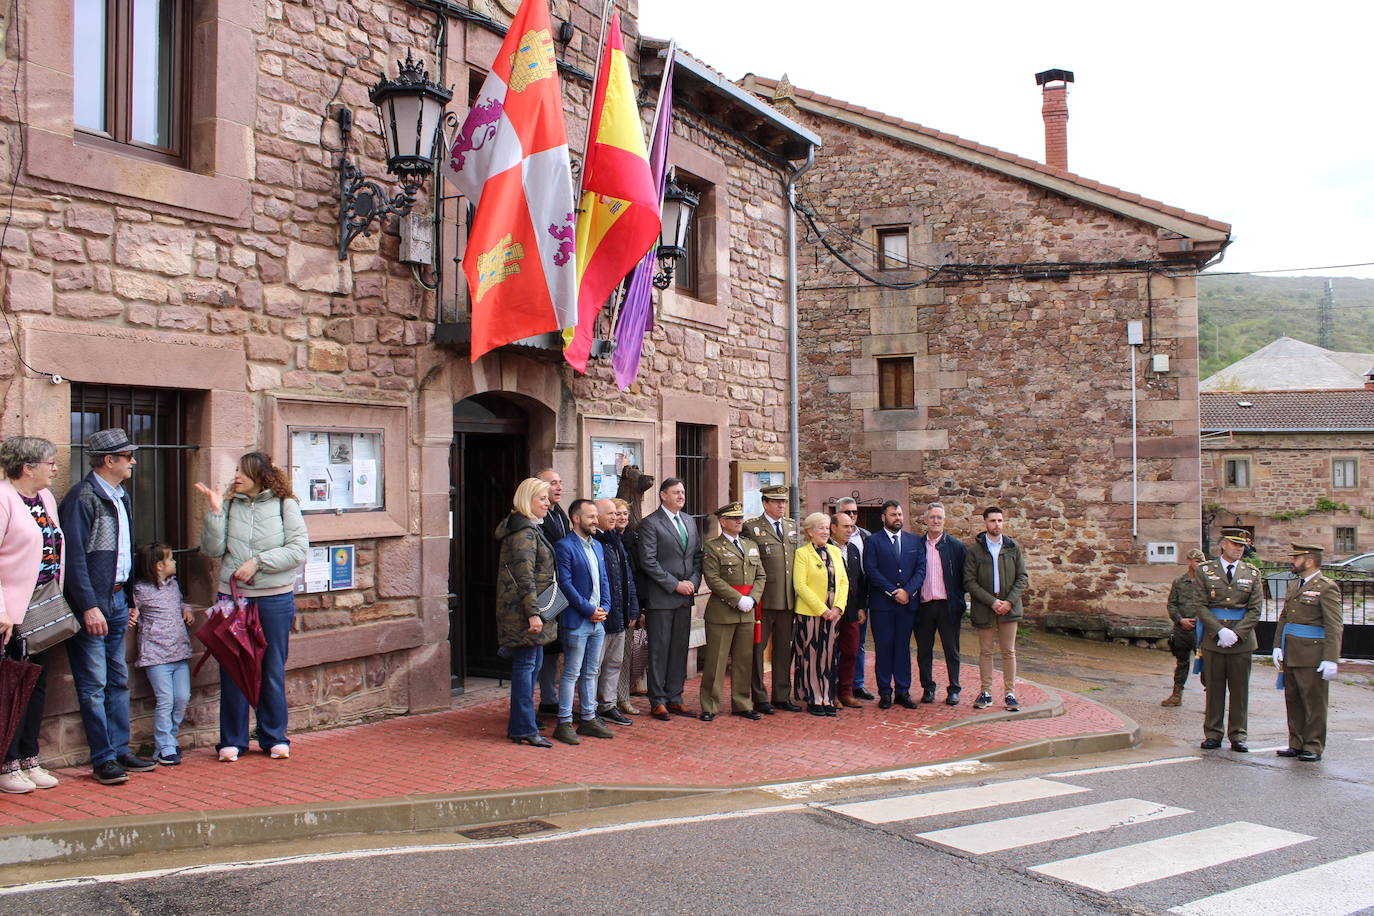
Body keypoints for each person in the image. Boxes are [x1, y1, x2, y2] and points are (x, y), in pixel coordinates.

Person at [195, 451, 309, 762]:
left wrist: (258, 563)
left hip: (274, 598)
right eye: (235, 470)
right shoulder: (230, 505)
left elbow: (298, 549)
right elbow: (212, 549)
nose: (236, 476)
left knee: (271, 668)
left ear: (260, 475)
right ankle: (232, 741)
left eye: (242, 471)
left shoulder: (286, 505)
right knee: (232, 668)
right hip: (234, 599)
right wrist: (216, 513)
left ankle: (274, 737)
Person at [61, 427, 155, 785]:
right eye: (127, 455)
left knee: (118, 680)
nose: (133, 461)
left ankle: (119, 750)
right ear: (109, 460)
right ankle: (103, 759)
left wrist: (129, 599)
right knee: (94, 685)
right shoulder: (81, 499)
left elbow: (124, 554)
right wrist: (88, 606)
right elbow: (74, 561)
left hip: (116, 600)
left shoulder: (121, 496)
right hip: (93, 607)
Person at [0, 437, 65, 794]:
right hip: (12, 611)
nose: (55, 468)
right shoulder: (3, 498)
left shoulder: (45, 499)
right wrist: (1, 610)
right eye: (50, 462)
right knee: (12, 686)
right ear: (28, 467)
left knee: (38, 682)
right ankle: (6, 764)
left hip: (45, 604)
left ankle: (29, 757)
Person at [494, 477, 559, 747]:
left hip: (533, 610)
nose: (547, 503)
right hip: (525, 613)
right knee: (526, 667)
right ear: (527, 500)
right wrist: (533, 614)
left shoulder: (531, 528)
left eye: (547, 498)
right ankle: (523, 728)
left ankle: (523, 723)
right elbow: (524, 577)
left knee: (533, 665)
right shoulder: (524, 533)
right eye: (541, 499)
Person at [1189, 527, 1262, 752]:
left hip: (1242, 640)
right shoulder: (1205, 571)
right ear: (1223, 545)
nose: (1240, 549)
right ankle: (1213, 733)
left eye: (1242, 546)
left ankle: (1238, 734)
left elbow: (1255, 609)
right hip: (1214, 639)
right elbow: (1200, 605)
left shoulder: (1251, 573)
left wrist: (1237, 633)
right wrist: (1219, 631)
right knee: (1214, 689)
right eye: (1235, 545)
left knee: (1240, 691)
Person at [636, 477, 702, 720]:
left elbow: (697, 556)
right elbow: (648, 561)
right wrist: (675, 585)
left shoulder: (689, 521)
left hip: (685, 597)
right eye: (676, 492)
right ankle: (658, 700)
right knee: (659, 650)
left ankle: (675, 697)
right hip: (661, 598)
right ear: (663, 495)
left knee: (678, 650)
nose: (681, 496)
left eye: (683, 492)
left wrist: (693, 583)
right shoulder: (650, 524)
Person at [552, 498, 613, 744]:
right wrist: (588, 609)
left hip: (598, 620)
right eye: (590, 517)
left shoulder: (597, 546)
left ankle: (588, 717)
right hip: (577, 620)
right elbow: (565, 584)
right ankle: (564, 721)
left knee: (591, 671)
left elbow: (604, 580)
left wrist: (605, 608)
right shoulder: (564, 546)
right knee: (571, 673)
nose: (595, 521)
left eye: (595, 517)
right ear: (576, 519)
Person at [1274, 543, 1342, 762]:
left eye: (1296, 558)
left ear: (1310, 561)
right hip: (1291, 650)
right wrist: (1277, 645)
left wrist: (1331, 658)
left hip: (1312, 653)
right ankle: (1296, 742)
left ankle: (1313, 745)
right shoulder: (1295, 585)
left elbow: (1334, 625)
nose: (1292, 561)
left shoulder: (1326, 587)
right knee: (1293, 699)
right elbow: (1284, 617)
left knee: (1313, 702)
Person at [699, 502, 766, 722]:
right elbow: (713, 579)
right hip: (722, 612)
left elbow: (761, 576)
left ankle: (742, 703)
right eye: (734, 518)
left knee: (743, 660)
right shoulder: (712, 547)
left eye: (741, 518)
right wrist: (737, 599)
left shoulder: (750, 546)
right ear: (723, 522)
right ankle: (710, 705)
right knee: (716, 662)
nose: (739, 521)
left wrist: (753, 599)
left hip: (747, 612)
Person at [131, 543, 194, 766]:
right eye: (171, 559)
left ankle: (170, 738)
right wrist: (132, 615)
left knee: (182, 697)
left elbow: (178, 603)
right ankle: (164, 746)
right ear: (159, 566)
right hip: (156, 655)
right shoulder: (140, 590)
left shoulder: (173, 585)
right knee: (165, 700)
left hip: (179, 652)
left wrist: (186, 608)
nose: (175, 562)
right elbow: (133, 609)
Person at [963, 506, 1028, 712]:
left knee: (1009, 651)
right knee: (986, 651)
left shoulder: (1012, 547)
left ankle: (1010, 693)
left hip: (1009, 607)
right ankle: (986, 692)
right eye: (993, 521)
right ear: (985, 523)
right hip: (985, 607)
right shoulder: (975, 550)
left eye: (1000, 520)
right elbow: (969, 581)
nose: (997, 524)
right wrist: (991, 601)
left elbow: (1022, 577)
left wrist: (1009, 601)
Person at [863, 499, 925, 710]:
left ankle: (903, 691)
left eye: (899, 514)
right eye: (893, 515)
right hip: (883, 606)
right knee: (884, 648)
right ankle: (885, 692)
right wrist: (893, 592)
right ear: (883, 517)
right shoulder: (873, 542)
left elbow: (920, 570)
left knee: (903, 648)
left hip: (907, 605)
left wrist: (907, 591)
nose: (898, 518)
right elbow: (871, 571)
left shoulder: (914, 542)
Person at [744, 484, 801, 713]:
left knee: (783, 651)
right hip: (763, 601)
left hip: (787, 600)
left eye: (784, 502)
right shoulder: (752, 528)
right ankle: (759, 696)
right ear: (765, 503)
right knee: (757, 651)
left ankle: (781, 694)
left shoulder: (791, 526)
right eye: (776, 502)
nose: (781, 505)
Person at [792, 512, 848, 716]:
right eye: (821, 528)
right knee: (813, 656)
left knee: (830, 656)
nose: (825, 531)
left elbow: (843, 581)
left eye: (827, 528)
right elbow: (800, 585)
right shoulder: (802, 554)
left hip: (834, 613)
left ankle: (828, 697)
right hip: (810, 613)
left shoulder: (835, 551)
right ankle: (814, 698)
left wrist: (838, 607)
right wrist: (821, 609)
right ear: (810, 532)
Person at [592, 498, 638, 728]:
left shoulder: (616, 540)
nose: (614, 517)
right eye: (609, 513)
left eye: (616, 513)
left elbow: (626, 577)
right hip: (601, 615)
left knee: (615, 662)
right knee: (595, 665)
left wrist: (632, 607)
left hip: (620, 613)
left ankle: (608, 704)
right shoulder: (595, 541)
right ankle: (591, 709)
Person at [915, 502, 967, 706]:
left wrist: (960, 601)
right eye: (932, 517)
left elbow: (965, 577)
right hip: (924, 606)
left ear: (945, 520)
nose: (936, 521)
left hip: (948, 606)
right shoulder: (917, 545)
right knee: (923, 651)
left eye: (939, 517)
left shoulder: (956, 546)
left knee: (951, 650)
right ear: (926, 520)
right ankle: (928, 688)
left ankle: (954, 689)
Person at [535, 468, 569, 719]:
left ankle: (551, 698)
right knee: (542, 647)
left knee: (555, 646)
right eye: (552, 483)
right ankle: (546, 697)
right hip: (545, 590)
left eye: (559, 483)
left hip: (561, 589)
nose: (558, 487)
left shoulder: (560, 513)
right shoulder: (537, 518)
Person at [836, 498, 874, 701]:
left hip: (856, 604)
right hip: (833, 606)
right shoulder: (828, 546)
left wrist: (862, 605)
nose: (852, 517)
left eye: (854, 513)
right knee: (833, 649)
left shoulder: (865, 538)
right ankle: (833, 688)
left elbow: (861, 576)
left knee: (856, 646)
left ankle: (854, 685)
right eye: (847, 513)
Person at [611, 497, 645, 715]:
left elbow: (639, 577)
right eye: (617, 514)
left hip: (630, 606)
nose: (621, 517)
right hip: (611, 606)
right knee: (606, 658)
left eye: (624, 513)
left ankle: (622, 697)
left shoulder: (634, 538)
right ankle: (604, 699)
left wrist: (639, 608)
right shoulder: (604, 540)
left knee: (624, 656)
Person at [830, 512, 867, 708]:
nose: (850, 530)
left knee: (851, 651)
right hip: (831, 611)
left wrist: (861, 606)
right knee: (830, 654)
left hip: (851, 610)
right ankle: (830, 693)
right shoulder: (824, 549)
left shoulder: (853, 549)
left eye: (851, 527)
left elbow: (859, 580)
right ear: (833, 528)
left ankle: (846, 691)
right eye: (845, 527)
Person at [1161, 549, 1206, 708]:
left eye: (1201, 562)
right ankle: (1176, 695)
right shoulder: (1179, 582)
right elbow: (1172, 604)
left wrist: (1202, 620)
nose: (1199, 565)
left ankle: (1212, 700)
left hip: (1201, 630)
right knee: (1182, 662)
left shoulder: (1207, 582)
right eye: (1197, 561)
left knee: (1205, 664)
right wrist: (1180, 620)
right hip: (1182, 629)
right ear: (1189, 561)